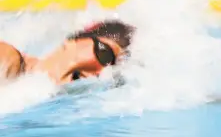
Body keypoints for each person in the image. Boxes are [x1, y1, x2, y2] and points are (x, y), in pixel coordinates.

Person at [0, 20, 135, 85]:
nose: (100, 71)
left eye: (112, 68)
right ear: (74, 40)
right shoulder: (8, 59)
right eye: (104, 54)